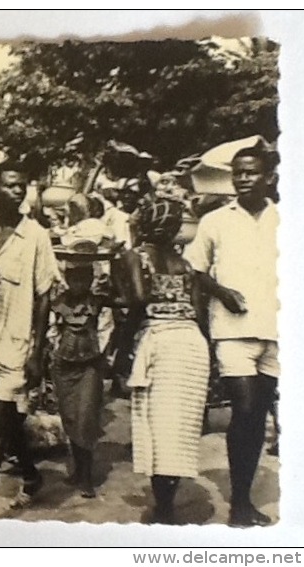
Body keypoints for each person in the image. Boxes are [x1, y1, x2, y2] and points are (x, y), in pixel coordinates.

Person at [183, 145, 280, 527]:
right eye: (238, 172)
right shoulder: (216, 221)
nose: (242, 178)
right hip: (233, 332)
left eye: (251, 172)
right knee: (244, 410)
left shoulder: (288, 219)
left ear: (268, 177)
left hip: (276, 330)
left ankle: (244, 497)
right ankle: (239, 503)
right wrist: (222, 293)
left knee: (258, 417)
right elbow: (197, 270)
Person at [0, 161, 61, 510]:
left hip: (18, 347)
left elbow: (45, 294)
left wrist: (37, 351)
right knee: (7, 423)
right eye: (10, 185)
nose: (18, 191)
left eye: (22, 185)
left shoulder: (35, 235)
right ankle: (32, 475)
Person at [113, 198, 211, 524]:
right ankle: (167, 504)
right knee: (179, 431)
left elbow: (139, 300)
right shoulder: (185, 264)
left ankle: (164, 508)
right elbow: (199, 313)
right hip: (193, 345)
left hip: (162, 342)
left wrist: (122, 348)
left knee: (156, 429)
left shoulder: (134, 256)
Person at [50, 260, 107, 499]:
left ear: (91, 280)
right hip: (64, 367)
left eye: (83, 279)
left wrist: (98, 355)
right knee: (70, 417)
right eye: (74, 279)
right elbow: (51, 332)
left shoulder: (98, 303)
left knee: (86, 418)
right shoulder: (59, 304)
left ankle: (86, 476)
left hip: (89, 367)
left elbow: (106, 332)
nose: (78, 284)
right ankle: (77, 468)